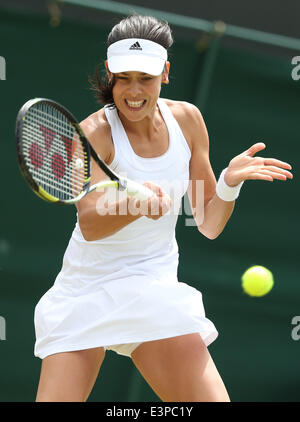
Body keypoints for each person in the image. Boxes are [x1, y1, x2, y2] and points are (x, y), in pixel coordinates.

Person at [34, 14, 293, 402]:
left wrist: (227, 183)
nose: (134, 91)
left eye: (146, 78)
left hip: (152, 286)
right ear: (109, 74)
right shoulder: (93, 134)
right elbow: (90, 221)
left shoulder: (188, 120)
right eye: (123, 78)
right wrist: (137, 205)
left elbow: (207, 221)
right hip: (85, 293)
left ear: (166, 73)